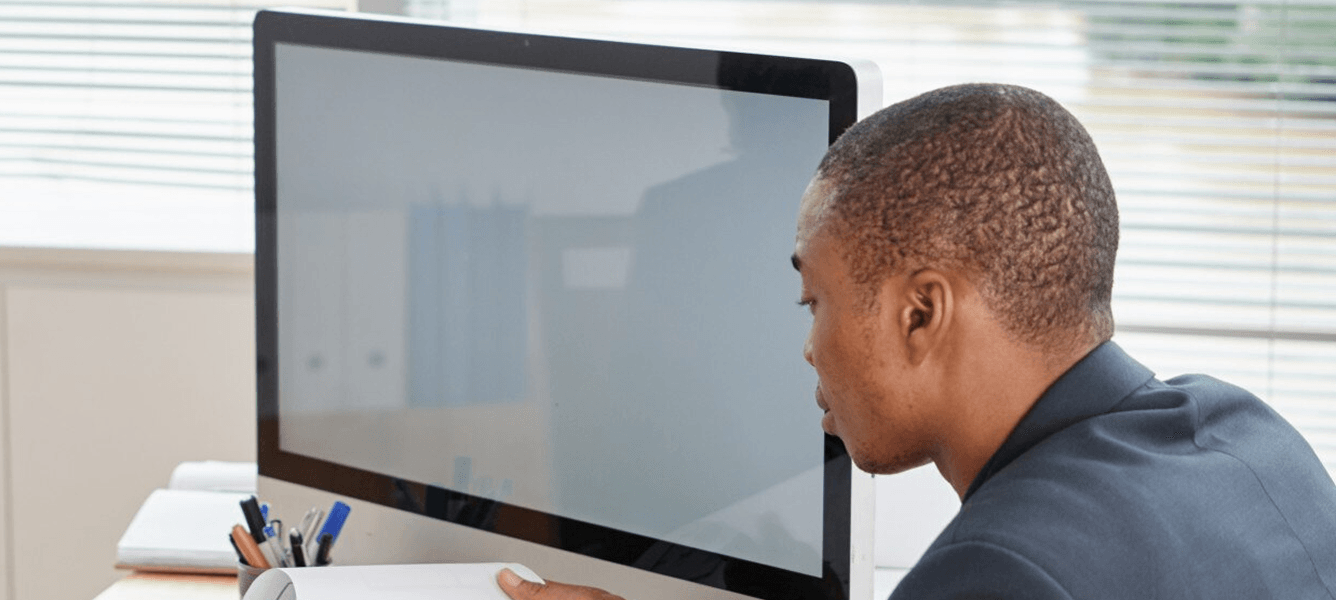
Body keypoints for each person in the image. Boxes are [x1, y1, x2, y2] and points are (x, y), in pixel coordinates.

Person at [499, 83, 1336, 599]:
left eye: (812, 300)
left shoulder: (1001, 572)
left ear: (921, 314)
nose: (808, 348)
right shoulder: (1250, 433)